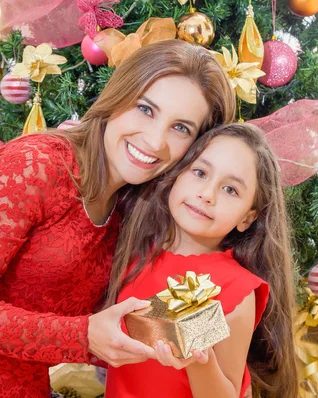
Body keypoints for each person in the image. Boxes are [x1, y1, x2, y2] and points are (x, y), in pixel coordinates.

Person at [0, 39, 236, 397]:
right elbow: (85, 333)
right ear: (117, 96)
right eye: (145, 109)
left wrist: (204, 343)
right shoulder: (35, 166)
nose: (155, 141)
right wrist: (81, 337)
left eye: (181, 128)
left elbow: (121, 325)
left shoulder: (135, 205)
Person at [104, 123, 298, 398]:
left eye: (230, 190)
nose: (206, 195)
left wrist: (199, 361)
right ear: (177, 174)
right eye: (200, 172)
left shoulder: (236, 290)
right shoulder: (134, 254)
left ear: (247, 217)